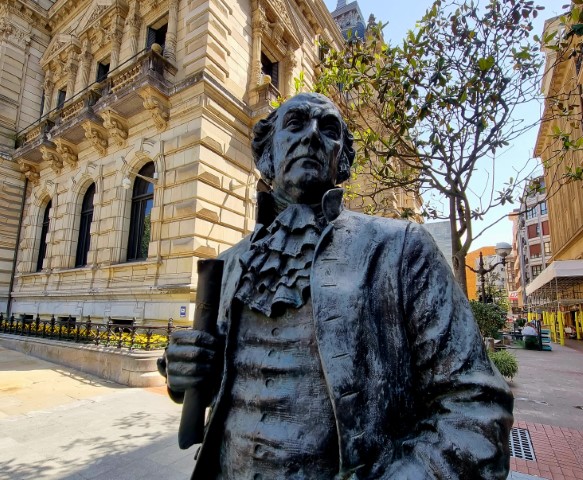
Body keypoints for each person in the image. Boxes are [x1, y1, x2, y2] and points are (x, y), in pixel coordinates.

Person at [159, 93, 513, 479]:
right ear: (267, 154)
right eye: (295, 124)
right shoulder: (228, 264)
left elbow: (476, 406)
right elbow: (224, 380)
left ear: (341, 160)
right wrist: (188, 372)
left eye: (328, 130)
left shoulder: (401, 248)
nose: (312, 135)